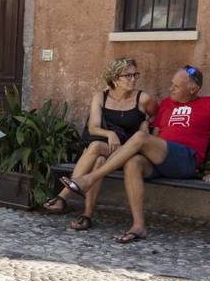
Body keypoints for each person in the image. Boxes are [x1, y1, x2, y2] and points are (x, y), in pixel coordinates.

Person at [64, 66, 210, 244]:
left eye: (176, 86)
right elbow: (155, 134)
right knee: (133, 162)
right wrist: (145, 130)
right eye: (172, 84)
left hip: (185, 159)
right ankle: (138, 226)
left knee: (141, 137)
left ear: (193, 89)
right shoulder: (166, 104)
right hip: (159, 158)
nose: (171, 88)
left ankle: (89, 179)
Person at [44, 58, 157, 231]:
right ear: (114, 79)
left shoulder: (143, 98)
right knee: (98, 157)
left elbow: (157, 116)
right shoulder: (101, 97)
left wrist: (145, 123)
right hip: (105, 149)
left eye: (135, 75)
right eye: (127, 75)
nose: (133, 79)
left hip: (128, 152)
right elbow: (93, 127)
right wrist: (109, 133)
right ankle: (87, 215)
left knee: (96, 148)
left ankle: (63, 196)